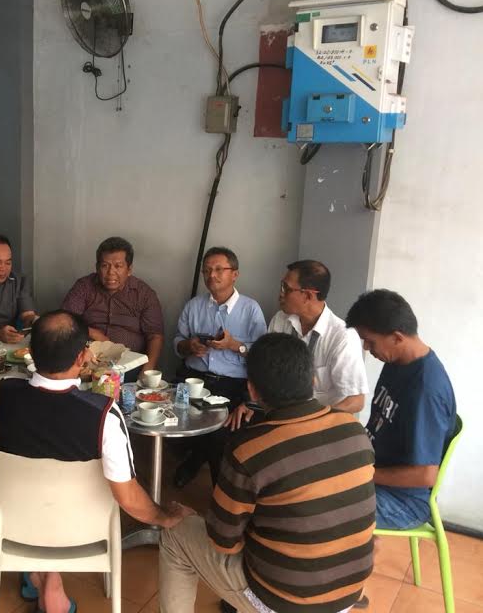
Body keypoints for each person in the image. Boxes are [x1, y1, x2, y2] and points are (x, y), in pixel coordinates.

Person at [0, 310, 192, 613]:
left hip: (18, 526)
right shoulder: (103, 415)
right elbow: (128, 498)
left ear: (30, 352)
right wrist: (164, 517)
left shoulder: (3, 393)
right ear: (82, 357)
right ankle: (49, 580)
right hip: (82, 534)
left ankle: (42, 574)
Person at [159, 333, 375, 613]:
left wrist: (194, 517)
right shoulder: (354, 431)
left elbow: (223, 541)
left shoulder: (249, 449)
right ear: (313, 380)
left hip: (282, 602)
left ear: (252, 391)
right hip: (348, 594)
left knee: (176, 532)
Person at [346, 289, 457, 530]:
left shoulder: (426, 389)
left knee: (318, 502)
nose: (366, 348)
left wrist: (363, 473)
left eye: (370, 341)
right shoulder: (396, 361)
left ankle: (362, 548)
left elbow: (425, 475)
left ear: (397, 337)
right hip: (375, 469)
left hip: (404, 502)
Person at [230, 260, 368, 430]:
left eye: (286, 289)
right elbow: (266, 373)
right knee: (236, 430)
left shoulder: (342, 337)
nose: (280, 294)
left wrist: (313, 421)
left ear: (308, 295)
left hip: (318, 425)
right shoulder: (280, 320)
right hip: (279, 416)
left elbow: (356, 400)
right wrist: (253, 403)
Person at [172, 247, 267, 488]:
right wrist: (188, 346)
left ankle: (214, 483)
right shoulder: (194, 306)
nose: (211, 275)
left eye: (218, 269)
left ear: (234, 274)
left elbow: (263, 355)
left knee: (219, 435)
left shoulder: (250, 309)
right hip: (194, 378)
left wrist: (235, 345)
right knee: (175, 427)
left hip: (231, 384)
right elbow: (177, 342)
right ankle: (196, 456)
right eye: (206, 270)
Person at [61, 236, 164, 375]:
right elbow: (64, 320)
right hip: (86, 362)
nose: (111, 272)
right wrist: (92, 332)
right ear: (97, 267)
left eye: (118, 266)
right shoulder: (84, 287)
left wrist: (147, 372)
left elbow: (155, 336)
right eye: (105, 266)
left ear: (129, 269)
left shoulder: (144, 294)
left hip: (127, 368)